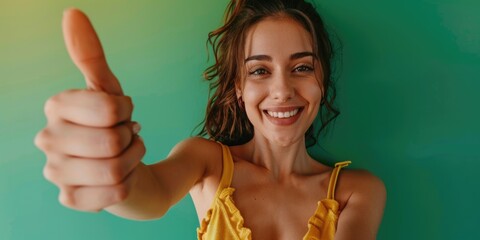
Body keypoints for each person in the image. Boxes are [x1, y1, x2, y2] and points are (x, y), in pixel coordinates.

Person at [35, 0, 386, 239]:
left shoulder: (358, 191)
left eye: (302, 67)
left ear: (321, 81)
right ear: (238, 87)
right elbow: (150, 194)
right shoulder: (205, 162)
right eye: (260, 70)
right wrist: (114, 176)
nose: (282, 90)